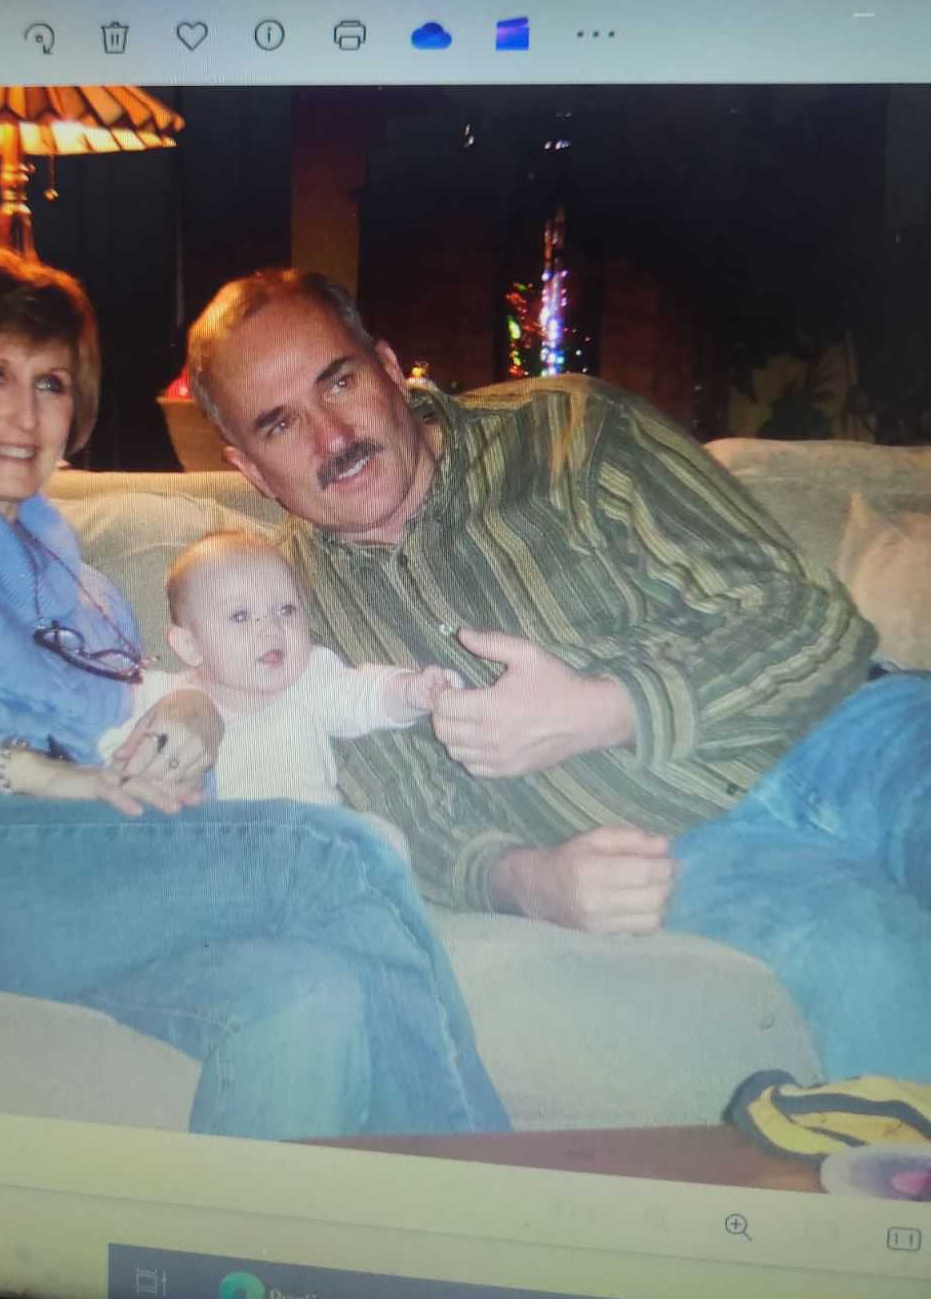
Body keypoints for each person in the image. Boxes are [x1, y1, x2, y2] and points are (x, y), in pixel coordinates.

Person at [0, 243, 508, 1142]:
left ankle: (248, 1239)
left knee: (307, 996)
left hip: (70, 884)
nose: (25, 413)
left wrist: (192, 711)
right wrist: (30, 771)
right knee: (336, 854)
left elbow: (136, 745)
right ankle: (486, 1194)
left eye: (51, 384)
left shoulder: (91, 595)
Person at [186, 267, 931, 1081]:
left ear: (390, 368)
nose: (333, 438)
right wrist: (531, 880)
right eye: (280, 425)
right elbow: (406, 810)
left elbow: (803, 611)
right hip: (692, 853)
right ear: (249, 468)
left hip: (854, 733)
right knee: (879, 986)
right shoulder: (285, 610)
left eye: (340, 382)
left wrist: (608, 708)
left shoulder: (573, 430)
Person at [99, 529, 462, 858]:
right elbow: (105, 748)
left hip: (310, 846)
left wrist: (410, 690)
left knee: (381, 839)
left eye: (286, 610)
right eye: (240, 616)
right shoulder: (162, 698)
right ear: (189, 645)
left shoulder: (308, 680)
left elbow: (364, 695)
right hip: (219, 856)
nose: (270, 628)